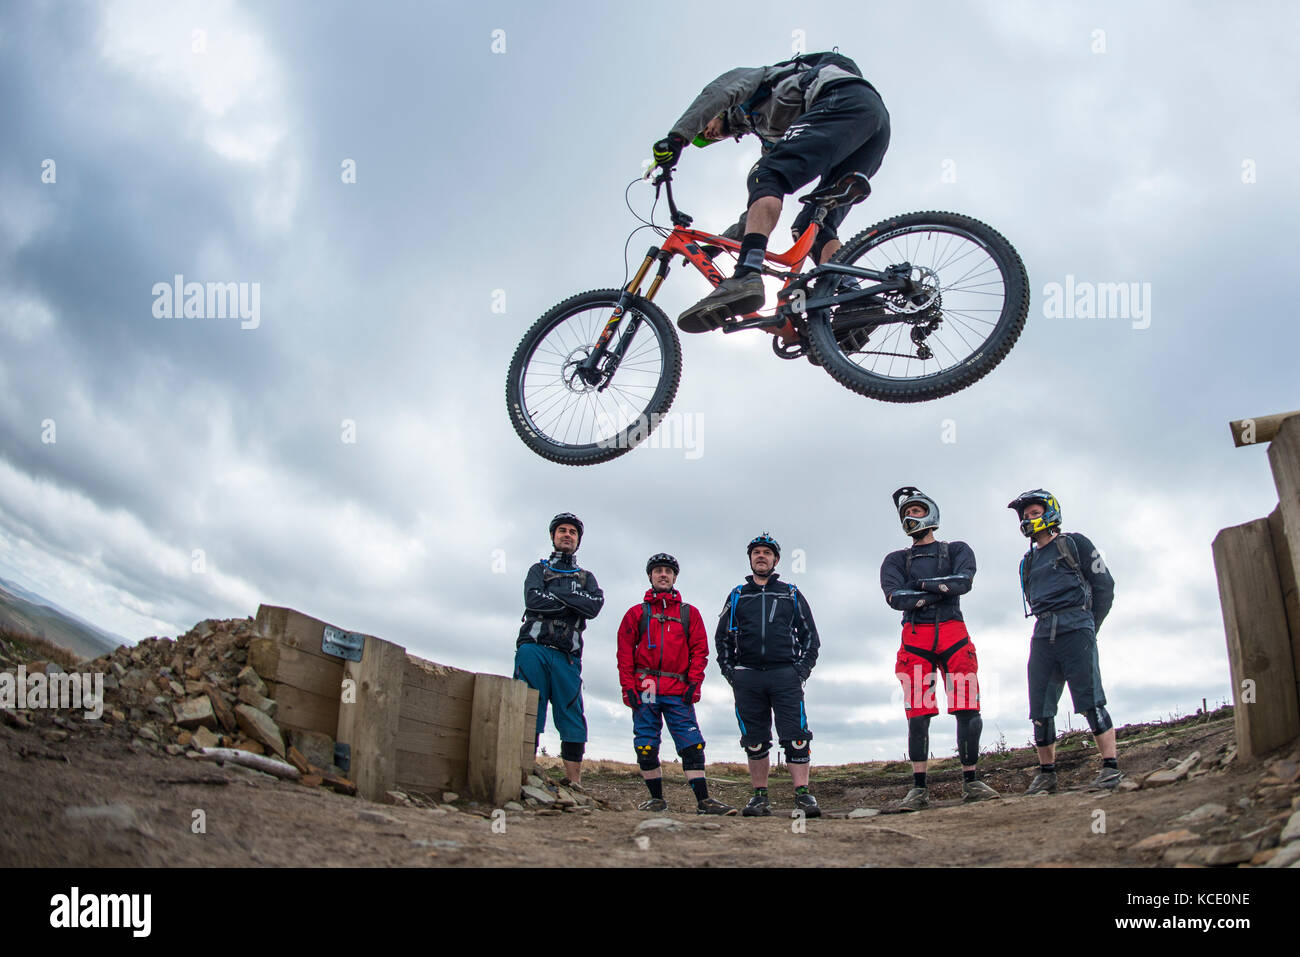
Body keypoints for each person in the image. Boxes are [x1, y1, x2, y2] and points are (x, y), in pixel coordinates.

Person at [650, 50, 891, 332]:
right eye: (704, 138)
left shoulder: (758, 79)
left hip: (841, 98)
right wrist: (719, 244)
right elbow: (758, 208)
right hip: (871, 125)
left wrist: (678, 138)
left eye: (707, 127)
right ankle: (857, 299)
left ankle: (746, 276)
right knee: (812, 226)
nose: (708, 134)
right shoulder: (771, 136)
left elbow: (718, 92)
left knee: (765, 174)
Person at [880, 488, 999, 811]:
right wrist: (939, 589)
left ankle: (971, 781)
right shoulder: (895, 560)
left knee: (968, 708)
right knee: (917, 714)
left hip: (954, 634)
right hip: (915, 639)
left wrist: (918, 587)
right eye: (906, 513)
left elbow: (963, 583)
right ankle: (918, 789)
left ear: (930, 512)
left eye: (917, 510)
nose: (910, 516)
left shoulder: (957, 549)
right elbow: (895, 600)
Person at [1007, 490, 1120, 793]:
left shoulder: (1076, 543)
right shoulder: (1027, 561)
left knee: (1090, 700)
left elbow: (1104, 585)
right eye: (1025, 516)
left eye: (1034, 512)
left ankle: (1110, 768)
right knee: (1040, 708)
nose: (1029, 519)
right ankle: (1047, 774)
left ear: (1050, 512)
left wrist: (1089, 626)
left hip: (1076, 625)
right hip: (1043, 632)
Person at [616, 553, 736, 815]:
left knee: (692, 745)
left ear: (674, 577)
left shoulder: (689, 613)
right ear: (650, 576)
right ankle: (657, 800)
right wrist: (628, 687)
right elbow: (624, 653)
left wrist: (694, 683)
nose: (663, 575)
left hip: (677, 689)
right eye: (658, 570)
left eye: (668, 571)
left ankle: (704, 802)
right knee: (646, 745)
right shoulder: (636, 613)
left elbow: (700, 650)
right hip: (645, 687)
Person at [715, 533, 822, 818]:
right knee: (755, 739)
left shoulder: (791, 593)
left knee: (796, 736)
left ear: (775, 560)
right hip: (747, 677)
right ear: (750, 559)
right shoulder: (737, 595)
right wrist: (731, 672)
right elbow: (722, 638)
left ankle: (803, 794)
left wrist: (801, 670)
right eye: (756, 552)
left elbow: (811, 636)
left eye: (767, 552)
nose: (761, 556)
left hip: (785, 674)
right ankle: (759, 797)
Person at [514, 512, 604, 787]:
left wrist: (558, 596)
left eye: (572, 532)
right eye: (562, 530)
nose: (567, 534)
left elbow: (593, 607)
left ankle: (574, 781)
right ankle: (521, 774)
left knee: (571, 711)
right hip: (533, 648)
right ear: (553, 536)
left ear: (578, 541)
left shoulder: (587, 576)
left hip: (567, 654)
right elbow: (533, 600)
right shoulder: (537, 570)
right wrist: (572, 602)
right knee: (528, 708)